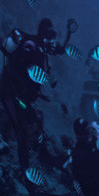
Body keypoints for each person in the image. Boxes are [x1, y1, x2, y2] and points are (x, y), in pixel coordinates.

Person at [1, 18, 75, 169]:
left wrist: (69, 32)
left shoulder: (41, 47)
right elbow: (17, 63)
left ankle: (42, 157)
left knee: (35, 124)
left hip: (22, 96)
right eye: (51, 36)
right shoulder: (32, 45)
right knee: (23, 130)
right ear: (44, 34)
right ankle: (26, 173)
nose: (53, 41)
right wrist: (22, 86)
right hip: (12, 92)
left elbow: (60, 50)